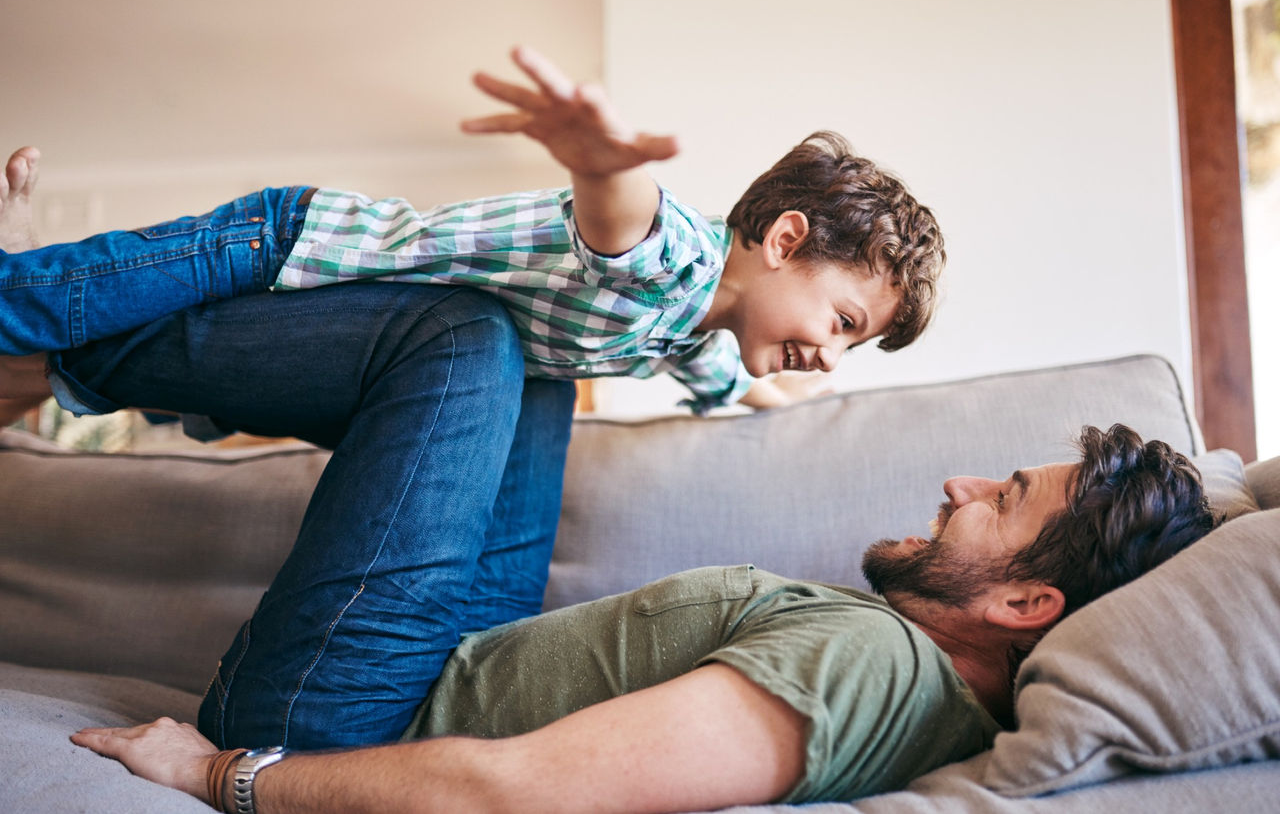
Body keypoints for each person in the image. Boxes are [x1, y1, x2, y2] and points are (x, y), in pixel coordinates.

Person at [69, 421, 1217, 811]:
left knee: (460, 338)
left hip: (342, 712)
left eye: (1004, 499)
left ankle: (42, 338)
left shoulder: (869, 661)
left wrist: (224, 773)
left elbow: (516, 792)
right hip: (435, 657)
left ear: (1024, 602)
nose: (961, 485)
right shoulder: (893, 658)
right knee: (530, 340)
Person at [0, 46, 946, 416]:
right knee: (63, 299)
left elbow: (725, 388)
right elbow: (625, 220)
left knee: (113, 358)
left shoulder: (696, 335)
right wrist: (601, 157)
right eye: (845, 323)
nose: (831, 357)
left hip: (330, 318)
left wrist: (792, 407)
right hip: (291, 244)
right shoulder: (679, 262)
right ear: (783, 241)